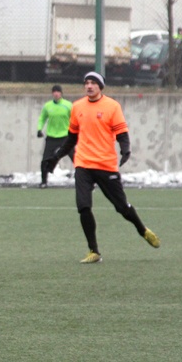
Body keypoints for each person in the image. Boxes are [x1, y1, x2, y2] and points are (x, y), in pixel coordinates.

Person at [44, 71, 160, 264]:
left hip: (106, 165)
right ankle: (94, 251)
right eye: (86, 83)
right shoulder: (77, 107)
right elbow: (71, 138)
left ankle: (143, 230)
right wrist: (56, 156)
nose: (89, 86)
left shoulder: (112, 106)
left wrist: (125, 150)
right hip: (83, 164)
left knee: (122, 208)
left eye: (93, 83)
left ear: (100, 86)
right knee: (83, 207)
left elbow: (122, 133)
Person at [36, 84, 74, 187]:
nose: (56, 94)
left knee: (76, 159)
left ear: (61, 93)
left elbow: (75, 119)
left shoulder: (68, 105)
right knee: (45, 160)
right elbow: (42, 118)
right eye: (54, 92)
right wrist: (39, 129)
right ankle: (44, 182)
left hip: (65, 137)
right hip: (51, 137)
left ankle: (84, 181)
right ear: (52, 93)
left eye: (58, 92)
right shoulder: (48, 106)